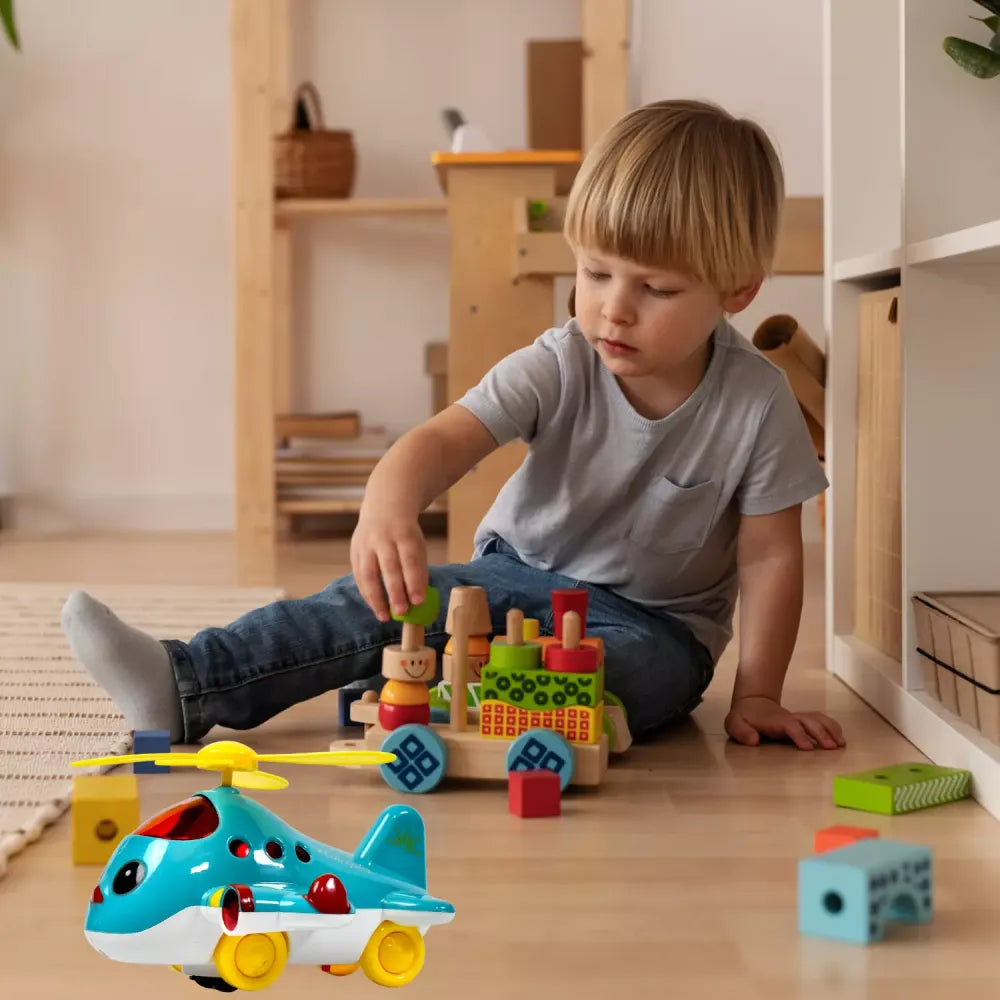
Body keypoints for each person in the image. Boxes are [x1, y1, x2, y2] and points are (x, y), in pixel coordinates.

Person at [61, 98, 844, 752]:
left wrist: (761, 694)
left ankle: (435, 691)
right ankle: (185, 679)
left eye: (657, 288)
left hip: (653, 627)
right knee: (371, 606)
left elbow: (773, 560)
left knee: (626, 677)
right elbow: (441, 441)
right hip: (513, 581)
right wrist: (388, 504)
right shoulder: (561, 360)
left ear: (737, 290)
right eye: (596, 272)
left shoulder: (757, 403)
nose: (614, 306)